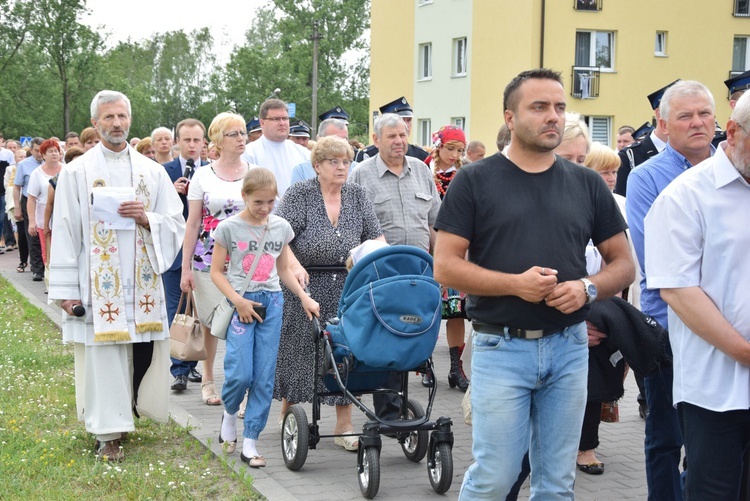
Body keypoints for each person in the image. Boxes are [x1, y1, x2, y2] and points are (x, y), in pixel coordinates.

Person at [433, 68, 633, 499]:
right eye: (539, 107)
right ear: (510, 117)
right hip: (500, 348)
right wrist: (514, 285)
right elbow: (445, 267)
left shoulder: (585, 183)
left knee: (557, 482)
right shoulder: (474, 180)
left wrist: (588, 288)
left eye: (559, 107)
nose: (553, 117)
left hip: (569, 347)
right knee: (496, 476)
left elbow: (623, 265)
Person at [48, 89, 185, 462]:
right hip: (96, 284)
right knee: (105, 355)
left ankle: (130, 413)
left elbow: (175, 222)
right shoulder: (77, 172)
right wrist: (65, 291)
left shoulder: (151, 171)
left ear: (130, 120)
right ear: (95, 122)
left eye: (122, 116)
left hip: (140, 282)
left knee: (137, 351)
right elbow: (64, 229)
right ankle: (107, 433)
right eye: (108, 117)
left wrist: (147, 219)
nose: (116, 124)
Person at [645, 90, 750, 501]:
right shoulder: (686, 196)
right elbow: (678, 289)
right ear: (736, 132)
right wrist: (743, 351)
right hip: (715, 388)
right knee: (715, 492)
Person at [626, 79, 716, 501]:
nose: (697, 123)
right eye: (685, 116)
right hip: (667, 328)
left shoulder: (735, 170)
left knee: (714, 441)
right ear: (662, 124)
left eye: (704, 114)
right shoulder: (647, 177)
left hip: (726, 330)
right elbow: (656, 260)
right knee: (665, 437)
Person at [274, 136, 384, 451]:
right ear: (318, 165)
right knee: (300, 350)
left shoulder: (357, 195)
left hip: (347, 286)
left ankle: (344, 424)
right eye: (333, 161)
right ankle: (290, 415)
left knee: (343, 352)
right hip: (305, 284)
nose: (341, 167)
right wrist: (294, 267)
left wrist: (385, 266)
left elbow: (375, 239)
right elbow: (281, 237)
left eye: (345, 161)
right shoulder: (300, 193)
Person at [211, 167, 319, 468]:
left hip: (272, 303)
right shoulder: (229, 228)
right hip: (240, 304)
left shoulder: (280, 227)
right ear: (244, 196)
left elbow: (283, 268)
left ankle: (250, 442)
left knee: (263, 377)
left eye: (271, 201)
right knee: (240, 372)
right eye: (258, 202)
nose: (265, 208)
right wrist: (238, 302)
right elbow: (216, 272)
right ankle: (230, 412)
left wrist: (303, 296)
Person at [349, 112, 441, 421]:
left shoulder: (421, 171)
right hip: (380, 274)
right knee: (388, 335)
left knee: (413, 333)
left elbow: (434, 224)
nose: (399, 141)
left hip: (418, 272)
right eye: (391, 136)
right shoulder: (361, 174)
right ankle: (388, 410)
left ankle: (400, 404)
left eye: (402, 135)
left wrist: (441, 267)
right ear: (376, 140)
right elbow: (351, 227)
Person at [181, 112, 259, 406]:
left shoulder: (255, 172)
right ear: (218, 140)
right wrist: (186, 267)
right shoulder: (202, 175)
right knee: (211, 321)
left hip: (248, 259)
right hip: (208, 258)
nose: (242, 139)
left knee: (247, 320)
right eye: (234, 134)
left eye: (243, 133)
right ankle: (209, 379)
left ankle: (245, 386)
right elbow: (193, 223)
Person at [162, 118, 209, 392]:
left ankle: (193, 364)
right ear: (177, 141)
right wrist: (172, 192)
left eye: (197, 140)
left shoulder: (212, 172)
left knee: (200, 311)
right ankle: (178, 369)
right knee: (177, 309)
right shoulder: (163, 172)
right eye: (186, 140)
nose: (192, 145)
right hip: (175, 251)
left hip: (204, 252)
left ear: (204, 143)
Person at [425, 125, 470, 391]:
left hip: (458, 250)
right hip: (430, 248)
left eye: (459, 150)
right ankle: (426, 364)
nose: (454, 154)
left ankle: (456, 368)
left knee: (457, 311)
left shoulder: (465, 175)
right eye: (450, 148)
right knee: (429, 310)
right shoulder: (423, 171)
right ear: (438, 146)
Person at [615, 80, 680, 196]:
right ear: (660, 113)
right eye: (683, 114)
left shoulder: (693, 152)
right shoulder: (629, 156)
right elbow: (622, 202)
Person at [241, 99, 309, 198]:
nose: (282, 123)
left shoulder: (303, 152)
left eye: (285, 118)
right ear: (262, 123)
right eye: (276, 119)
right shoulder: (249, 153)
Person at [355, 97, 429, 163]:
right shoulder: (367, 155)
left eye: (409, 120)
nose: (406, 124)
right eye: (402, 120)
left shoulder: (421, 155)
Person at [26, 139, 62, 271]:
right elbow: (31, 198)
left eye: (56, 151)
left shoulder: (67, 170)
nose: (54, 154)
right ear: (43, 155)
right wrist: (32, 221)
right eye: (50, 151)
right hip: (43, 216)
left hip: (62, 214)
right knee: (47, 248)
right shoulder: (37, 173)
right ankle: (49, 278)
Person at [13, 137, 44, 279]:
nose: (39, 153)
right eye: (36, 150)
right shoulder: (24, 165)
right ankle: (37, 268)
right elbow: (17, 187)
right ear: (31, 150)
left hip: (46, 201)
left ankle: (46, 265)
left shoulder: (50, 163)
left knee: (46, 234)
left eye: (41, 150)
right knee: (32, 234)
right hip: (29, 201)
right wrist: (17, 207)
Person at [290, 118, 355, 184]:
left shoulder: (356, 169)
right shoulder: (302, 170)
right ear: (319, 140)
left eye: (344, 140)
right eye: (334, 139)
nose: (341, 145)